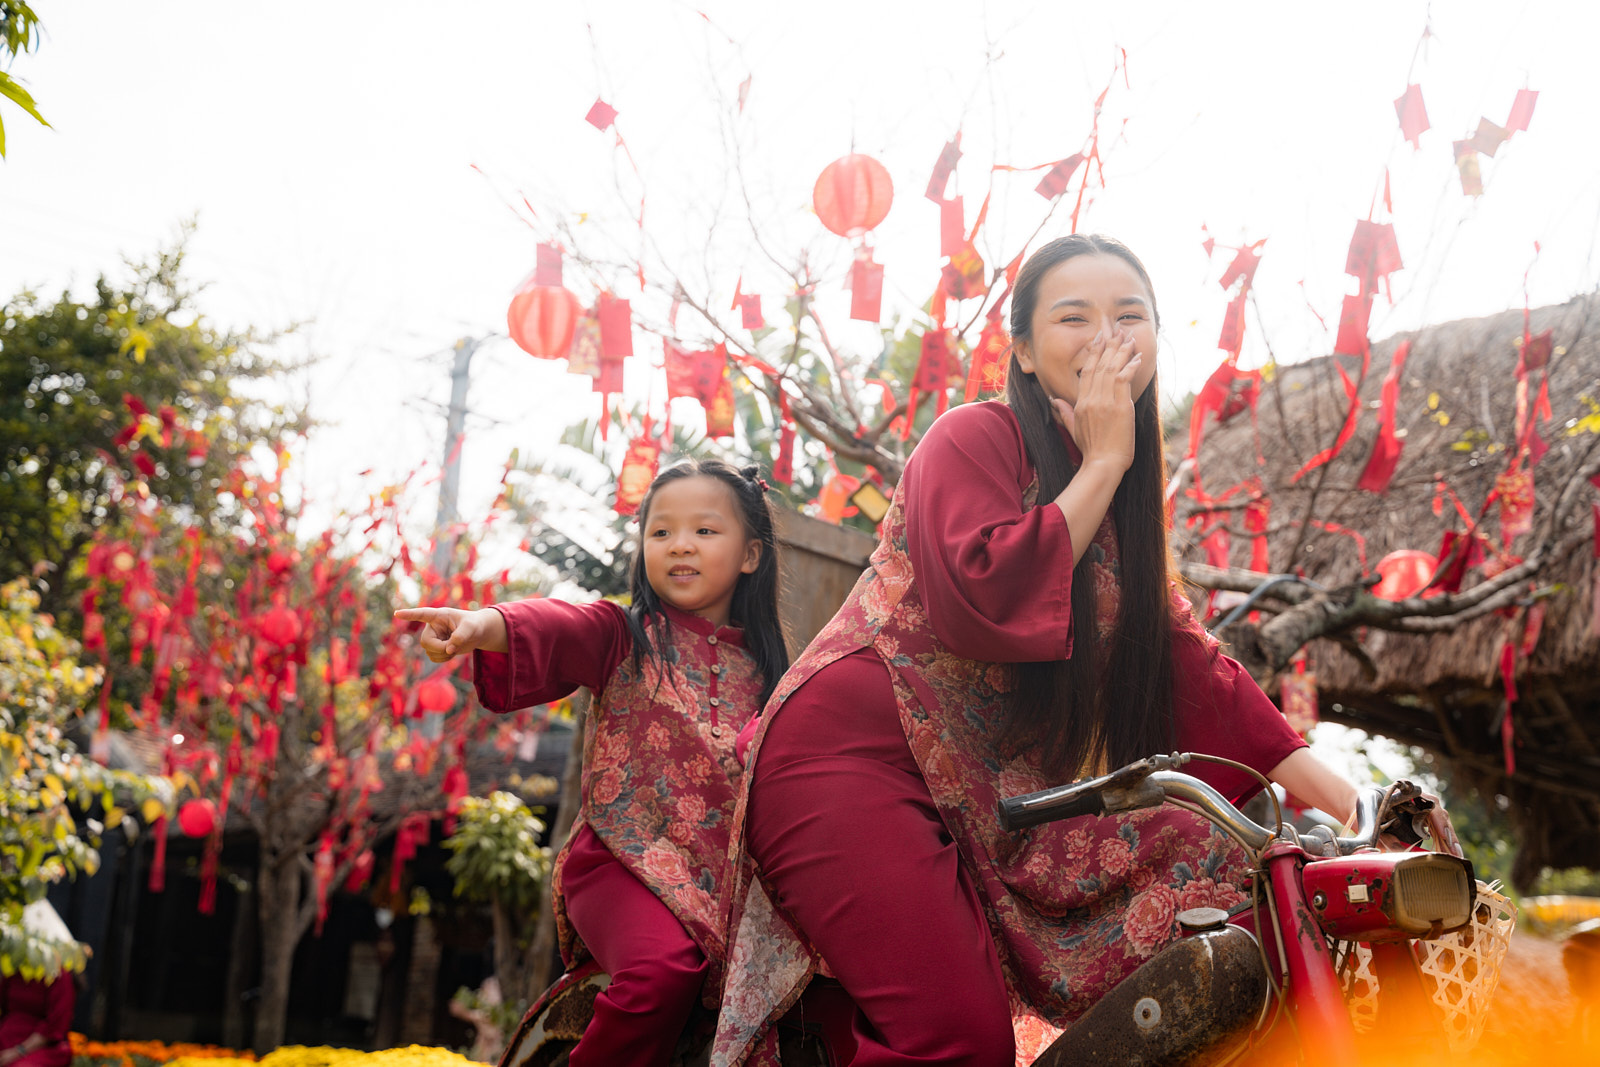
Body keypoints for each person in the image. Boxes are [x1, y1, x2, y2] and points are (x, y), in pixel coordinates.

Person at [711, 234, 1376, 1067]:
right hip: (847, 759)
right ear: (1022, 350)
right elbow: (981, 594)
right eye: (1074, 316)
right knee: (960, 1038)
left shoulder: (1127, 500)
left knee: (1228, 874)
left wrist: (1335, 793)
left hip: (990, 796)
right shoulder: (970, 437)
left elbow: (1176, 654)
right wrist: (1104, 458)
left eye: (1130, 314)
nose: (1105, 334)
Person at [396, 459, 788, 1067]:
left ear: (751, 555)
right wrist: (480, 624)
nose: (680, 545)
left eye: (705, 531)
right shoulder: (624, 636)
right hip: (619, 863)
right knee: (660, 974)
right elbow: (557, 623)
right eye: (660, 532)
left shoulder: (777, 681)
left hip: (728, 886)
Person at [0, 969, 75, 1067]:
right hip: (5, 1040)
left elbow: (54, 1026)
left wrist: (17, 1051)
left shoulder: (60, 976)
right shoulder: (13, 970)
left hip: (40, 1049)